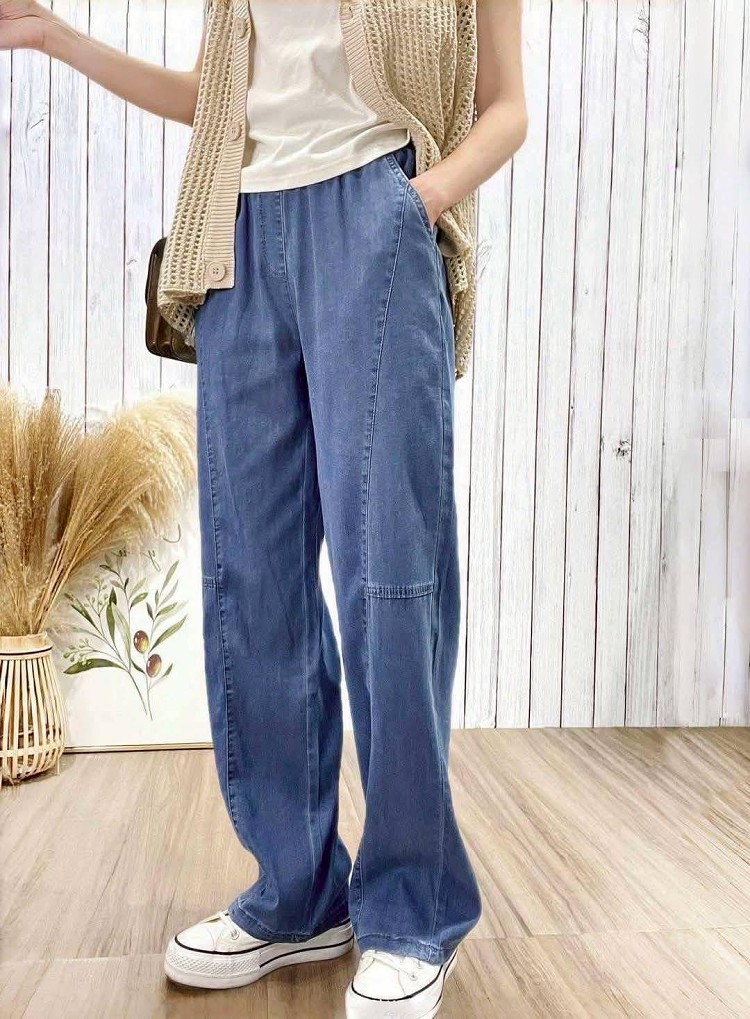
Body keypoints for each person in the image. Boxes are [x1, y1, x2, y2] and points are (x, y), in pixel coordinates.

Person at [0, 1, 526, 1014]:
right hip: (235, 239)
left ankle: (412, 908)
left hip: (374, 220)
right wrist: (58, 37)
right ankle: (297, 892)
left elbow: (507, 107)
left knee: (392, 577)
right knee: (253, 579)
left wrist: (417, 201)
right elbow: (217, 100)